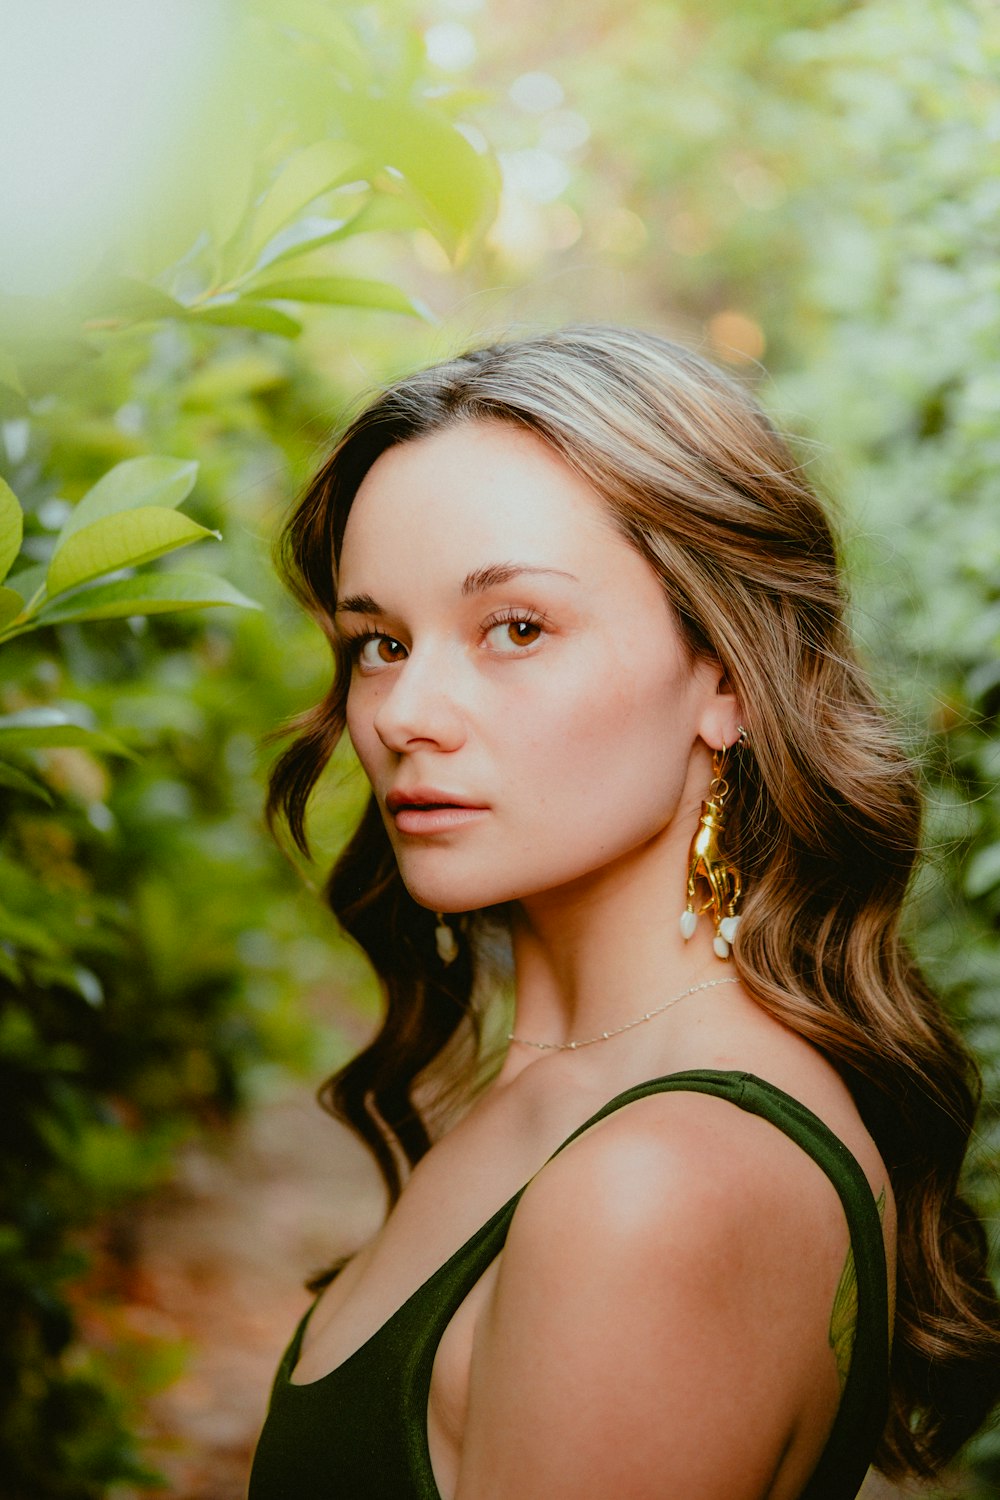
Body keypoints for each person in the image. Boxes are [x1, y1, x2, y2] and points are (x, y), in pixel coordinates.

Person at [249, 327, 1000, 1499]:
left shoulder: (658, 1183)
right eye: (378, 643)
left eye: (516, 627)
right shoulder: (567, 1084)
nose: (404, 713)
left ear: (728, 678)